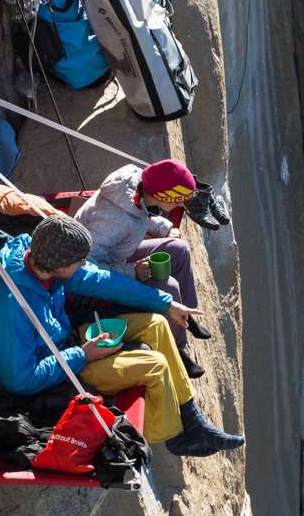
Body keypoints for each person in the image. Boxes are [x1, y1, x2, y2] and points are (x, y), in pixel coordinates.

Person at [0, 214, 243, 457]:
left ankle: (192, 418)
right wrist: (83, 354)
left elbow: (100, 280)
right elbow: (20, 381)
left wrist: (165, 303)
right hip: (59, 376)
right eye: (79, 261)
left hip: (63, 342)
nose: (84, 263)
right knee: (155, 365)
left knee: (155, 323)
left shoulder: (38, 258)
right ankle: (173, 436)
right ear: (60, 264)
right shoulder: (12, 307)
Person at [74, 160, 213, 378]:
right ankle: (176, 348)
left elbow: (139, 211)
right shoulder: (112, 220)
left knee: (179, 249)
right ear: (164, 196)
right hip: (91, 283)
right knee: (168, 286)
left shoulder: (137, 184)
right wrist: (131, 272)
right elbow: (83, 266)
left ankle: (186, 315)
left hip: (116, 254)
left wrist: (163, 227)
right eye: (178, 200)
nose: (180, 205)